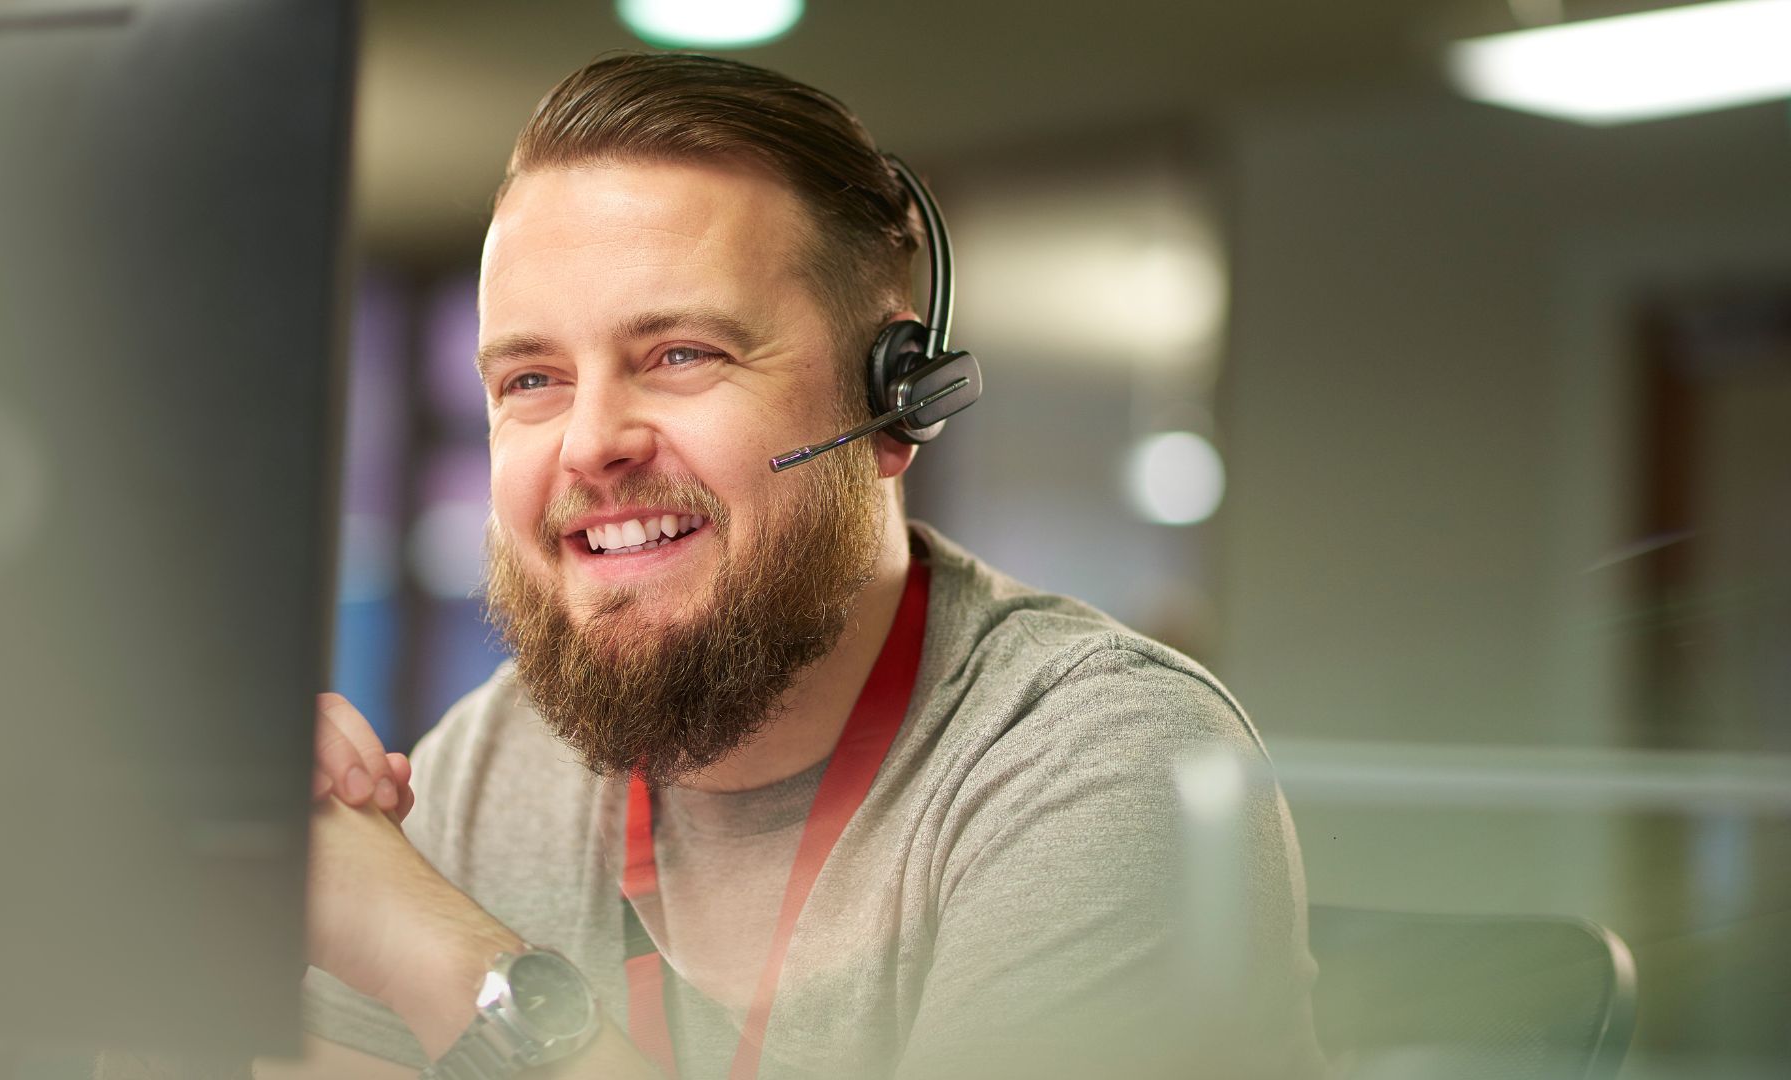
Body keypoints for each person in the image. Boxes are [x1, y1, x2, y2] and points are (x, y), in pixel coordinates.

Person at [107, 52, 1324, 1080]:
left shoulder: (1103, 766)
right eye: (530, 380)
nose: (591, 444)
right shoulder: (489, 766)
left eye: (681, 354)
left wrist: (445, 958)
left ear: (892, 405)